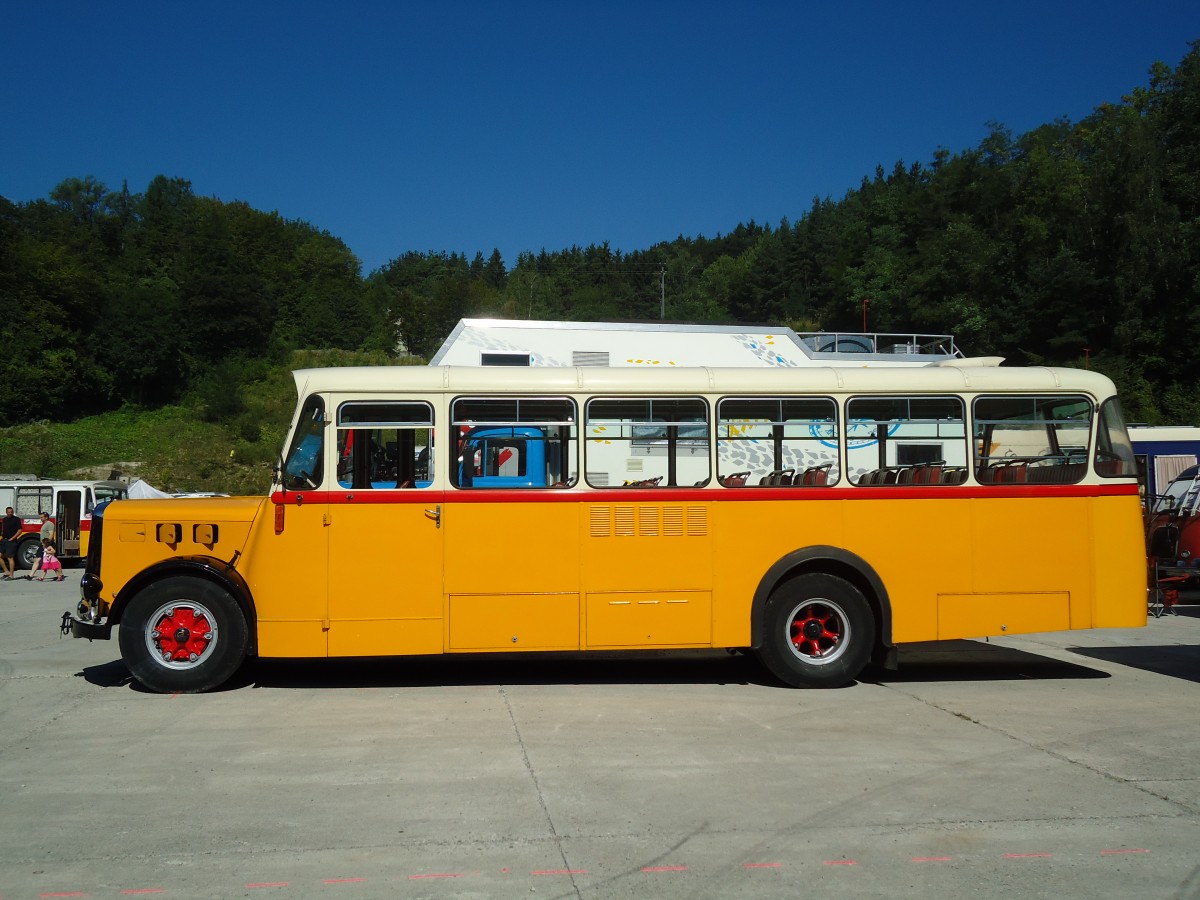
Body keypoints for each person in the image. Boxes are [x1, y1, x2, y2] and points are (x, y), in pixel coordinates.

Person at [24, 512, 55, 580]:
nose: (40, 518)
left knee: (53, 561)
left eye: (42, 517)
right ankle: (30, 575)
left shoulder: (50, 524)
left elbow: (51, 534)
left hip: (46, 544)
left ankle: (60, 574)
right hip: (43, 544)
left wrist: (47, 544)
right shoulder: (44, 524)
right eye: (40, 517)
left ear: (46, 517)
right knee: (37, 559)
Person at [0, 506, 22, 580]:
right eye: (9, 512)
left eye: (11, 512)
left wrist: (12, 538)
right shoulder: (5, 519)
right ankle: (6, 572)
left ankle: (11, 575)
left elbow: (19, 530)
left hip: (11, 541)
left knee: (10, 557)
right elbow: (4, 529)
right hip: (4, 540)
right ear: (6, 512)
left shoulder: (16, 519)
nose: (10, 513)